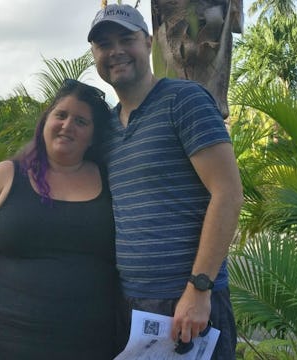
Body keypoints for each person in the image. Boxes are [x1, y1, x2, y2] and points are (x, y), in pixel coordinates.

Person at [87, 4, 243, 359]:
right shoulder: (106, 129)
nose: (116, 51)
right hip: (132, 303)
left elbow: (229, 194)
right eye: (104, 44)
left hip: (188, 300)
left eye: (126, 39)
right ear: (95, 54)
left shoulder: (184, 101)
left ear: (149, 41)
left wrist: (199, 289)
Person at [0, 79, 117, 360]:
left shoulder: (111, 183)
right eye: (60, 115)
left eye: (81, 121)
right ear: (45, 121)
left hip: (91, 344)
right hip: (7, 342)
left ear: (94, 136)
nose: (67, 125)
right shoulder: (4, 176)